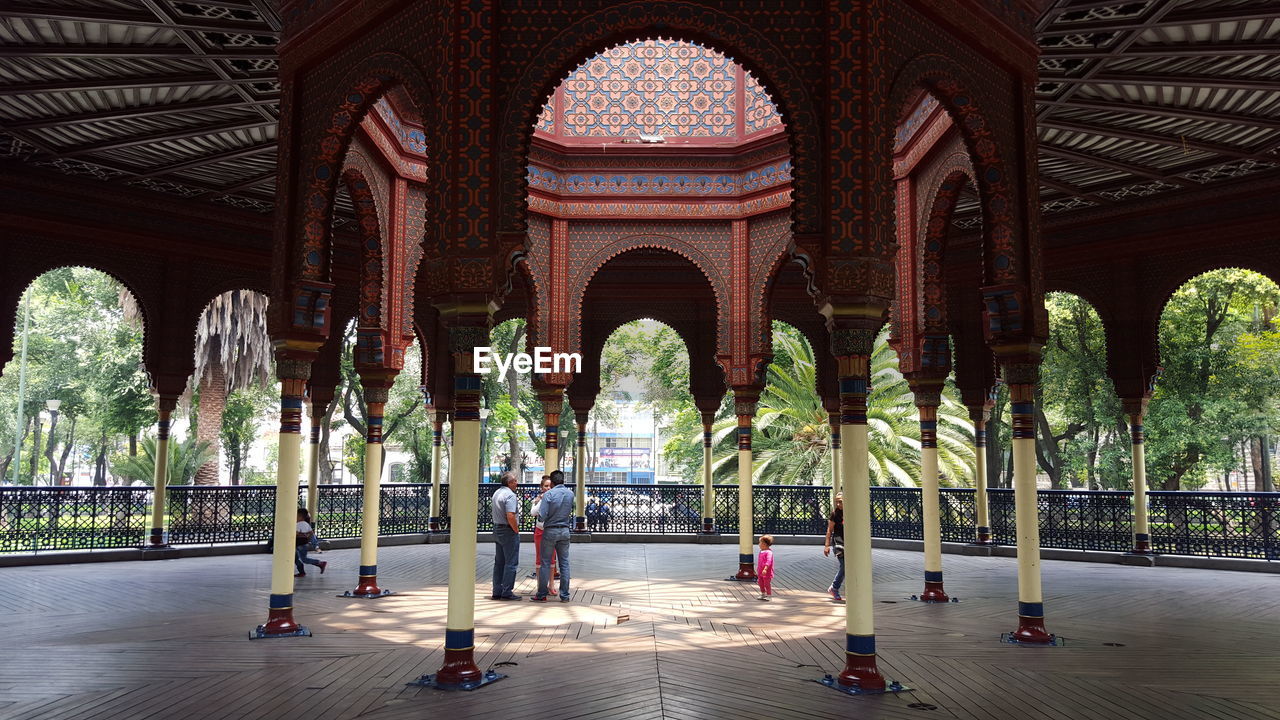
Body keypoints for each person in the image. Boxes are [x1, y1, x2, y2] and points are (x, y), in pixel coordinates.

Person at [533, 470, 574, 602]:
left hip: (550, 531)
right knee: (564, 564)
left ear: (553, 482)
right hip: (565, 531)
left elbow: (542, 516)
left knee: (545, 562)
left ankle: (541, 594)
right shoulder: (570, 494)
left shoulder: (549, 494)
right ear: (563, 480)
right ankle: (565, 595)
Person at [491, 472, 522, 600]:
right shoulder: (510, 495)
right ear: (509, 483)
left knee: (499, 562)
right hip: (508, 530)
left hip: (497, 529)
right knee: (511, 562)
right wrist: (516, 530)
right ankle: (507, 591)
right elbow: (510, 515)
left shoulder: (497, 493)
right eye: (514, 481)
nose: (517, 483)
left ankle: (497, 590)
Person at [530, 476, 558, 580]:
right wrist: (536, 502)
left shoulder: (555, 498)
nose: (548, 488)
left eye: (550, 486)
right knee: (539, 557)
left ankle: (551, 584)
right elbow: (533, 512)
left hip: (551, 530)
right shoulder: (541, 499)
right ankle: (539, 584)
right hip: (540, 530)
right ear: (542, 487)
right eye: (546, 486)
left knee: (552, 558)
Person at [823, 492, 845, 602]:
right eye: (836, 502)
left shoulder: (852, 512)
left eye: (840, 501)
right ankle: (834, 588)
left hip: (850, 542)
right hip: (839, 542)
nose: (838, 504)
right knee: (844, 566)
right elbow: (829, 530)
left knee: (849, 567)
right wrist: (826, 545)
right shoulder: (834, 514)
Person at [294, 508, 326, 578]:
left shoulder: (298, 524)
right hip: (304, 544)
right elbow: (311, 533)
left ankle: (320, 563)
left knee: (303, 559)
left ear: (299, 516)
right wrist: (307, 536)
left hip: (299, 545)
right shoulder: (306, 524)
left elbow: (295, 534)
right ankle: (302, 572)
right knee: (296, 558)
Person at [757, 535, 775, 601]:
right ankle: (763, 593)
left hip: (767, 571)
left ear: (764, 544)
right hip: (760, 570)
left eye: (760, 543)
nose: (759, 544)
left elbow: (769, 561)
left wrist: (765, 568)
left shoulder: (769, 552)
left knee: (767, 583)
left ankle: (769, 595)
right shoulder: (761, 552)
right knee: (760, 582)